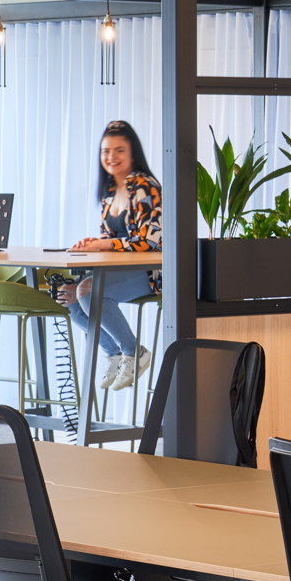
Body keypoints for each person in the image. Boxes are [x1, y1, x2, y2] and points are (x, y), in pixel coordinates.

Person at [57, 120, 164, 391]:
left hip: (153, 272)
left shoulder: (145, 186)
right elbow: (111, 236)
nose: (111, 157)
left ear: (132, 153)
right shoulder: (108, 190)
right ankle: (114, 354)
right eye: (106, 151)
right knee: (68, 295)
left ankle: (134, 352)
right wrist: (96, 242)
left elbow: (148, 241)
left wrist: (106, 246)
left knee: (87, 290)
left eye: (119, 151)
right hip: (122, 270)